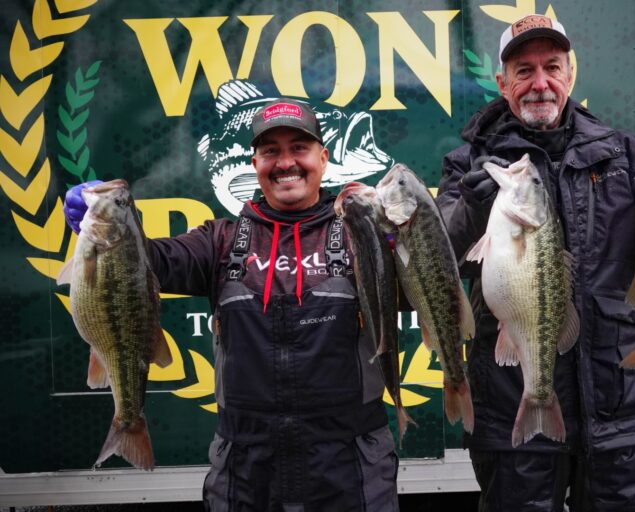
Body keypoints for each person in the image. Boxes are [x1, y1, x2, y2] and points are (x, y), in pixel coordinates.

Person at [436, 14, 635, 512]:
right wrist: (473, 207)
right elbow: (442, 259)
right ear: (503, 85)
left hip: (619, 406)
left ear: (571, 76)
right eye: (523, 71)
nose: (539, 83)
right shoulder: (468, 165)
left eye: (551, 67)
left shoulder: (628, 155)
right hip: (512, 409)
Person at [64, 98, 400, 511]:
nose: (285, 162)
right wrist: (101, 225)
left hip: (349, 469)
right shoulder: (219, 240)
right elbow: (153, 262)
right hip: (247, 470)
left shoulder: (361, 234)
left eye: (299, 148)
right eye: (270, 151)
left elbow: (439, 261)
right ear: (255, 162)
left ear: (323, 158)